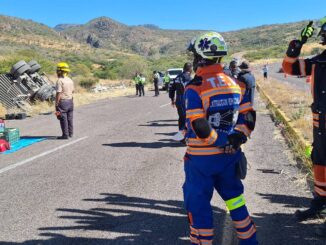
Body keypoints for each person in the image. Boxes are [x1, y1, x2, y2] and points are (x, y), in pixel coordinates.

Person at [184, 32, 258, 244]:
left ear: (199, 57)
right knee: (236, 204)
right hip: (229, 158)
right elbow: (249, 115)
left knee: (199, 209)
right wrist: (237, 138)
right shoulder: (236, 83)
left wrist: (220, 141)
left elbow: (199, 124)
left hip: (201, 162)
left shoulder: (196, 86)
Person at [282, 18, 326, 236]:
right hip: (321, 125)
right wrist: (297, 45)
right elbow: (289, 68)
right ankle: (320, 204)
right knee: (320, 163)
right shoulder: (318, 62)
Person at [169, 62, 192, 141]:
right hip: (186, 99)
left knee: (181, 118)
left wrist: (172, 99)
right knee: (186, 118)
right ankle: (183, 137)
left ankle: (181, 136)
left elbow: (171, 89)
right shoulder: (189, 78)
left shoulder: (177, 77)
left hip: (179, 99)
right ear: (190, 68)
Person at [55, 62, 74, 140]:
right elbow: (73, 91)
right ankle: (70, 133)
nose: (56, 72)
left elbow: (58, 92)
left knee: (63, 118)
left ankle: (65, 135)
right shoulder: (70, 80)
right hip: (70, 101)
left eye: (57, 70)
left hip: (62, 102)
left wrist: (56, 103)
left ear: (60, 71)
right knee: (70, 118)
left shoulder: (59, 81)